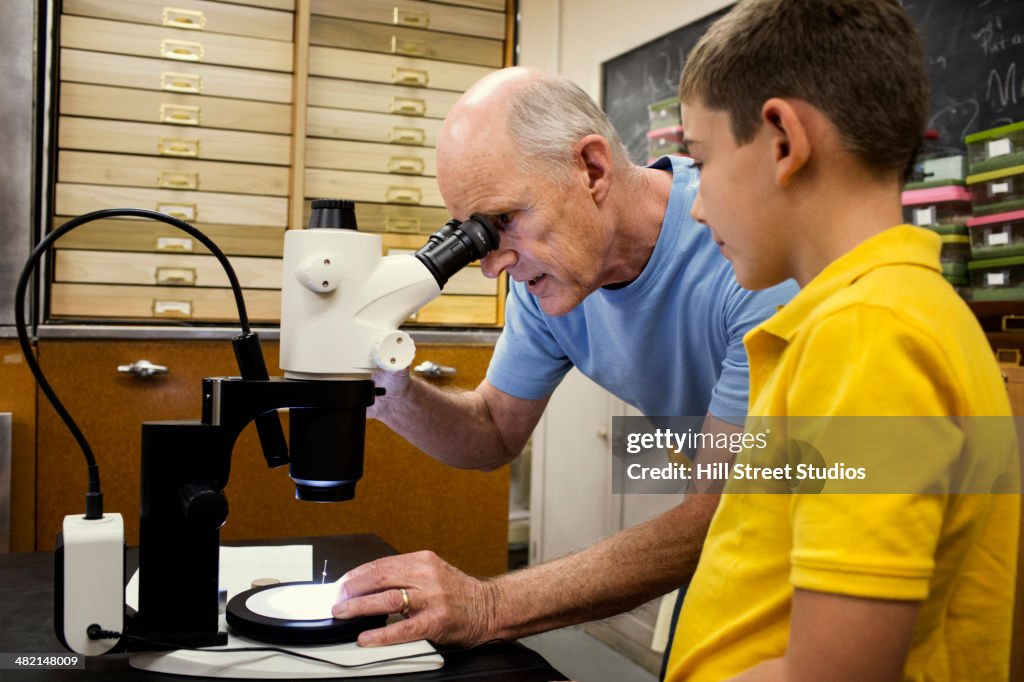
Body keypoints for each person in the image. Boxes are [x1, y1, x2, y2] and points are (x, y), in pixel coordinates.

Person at [330, 67, 795, 647]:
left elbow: (721, 510)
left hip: (830, 539)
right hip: (733, 540)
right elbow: (493, 431)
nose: (492, 263)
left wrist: (489, 604)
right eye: (473, 233)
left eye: (501, 222)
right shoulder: (551, 278)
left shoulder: (750, 255)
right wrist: (389, 391)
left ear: (592, 169)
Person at [666, 0, 1020, 679]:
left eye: (701, 160)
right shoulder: (902, 310)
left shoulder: (866, 335)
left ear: (782, 141)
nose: (698, 203)